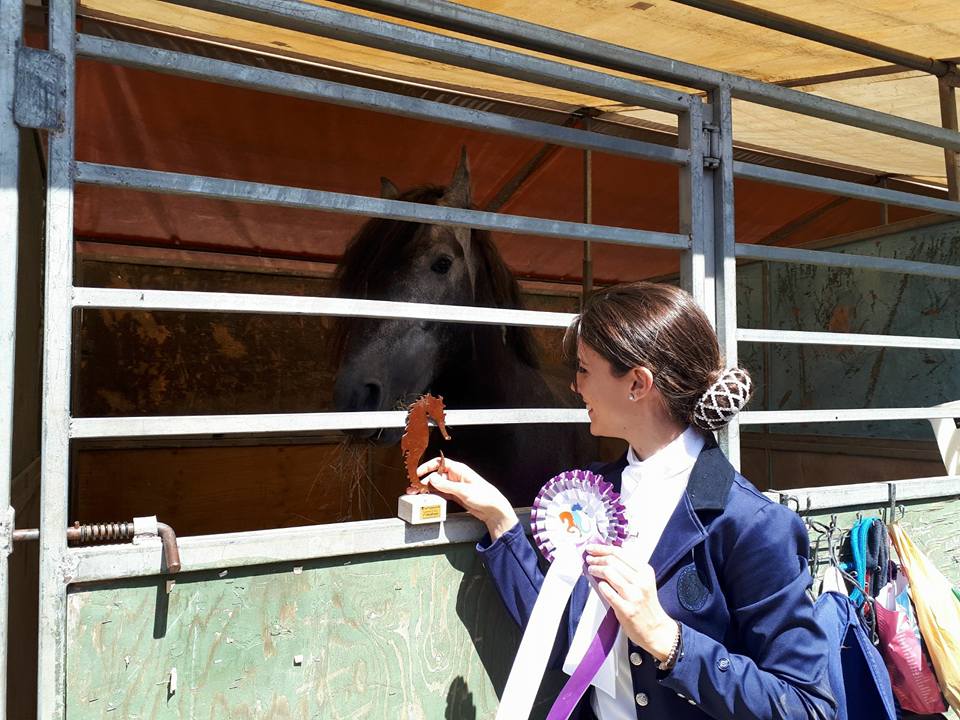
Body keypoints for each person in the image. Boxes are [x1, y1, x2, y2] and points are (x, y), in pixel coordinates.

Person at [412, 281, 837, 720]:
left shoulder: (751, 523)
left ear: (637, 383)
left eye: (583, 369)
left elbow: (808, 707)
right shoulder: (592, 494)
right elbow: (563, 637)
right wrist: (501, 520)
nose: (575, 387)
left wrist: (670, 641)